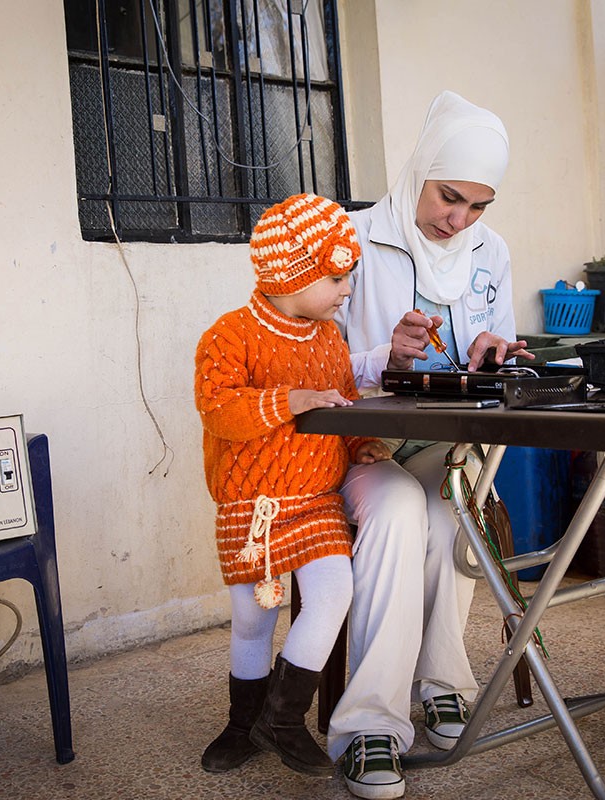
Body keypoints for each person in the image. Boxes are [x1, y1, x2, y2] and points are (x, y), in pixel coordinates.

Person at [329, 91, 534, 799]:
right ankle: (369, 727)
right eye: (450, 197)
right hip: (363, 448)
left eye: (478, 206)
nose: (460, 219)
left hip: (445, 448)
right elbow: (316, 370)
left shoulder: (490, 252)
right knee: (399, 515)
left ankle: (443, 683)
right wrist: (390, 356)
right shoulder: (351, 241)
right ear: (420, 170)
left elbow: (498, 352)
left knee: (454, 512)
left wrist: (492, 352)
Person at [194, 193, 394, 778]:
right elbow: (219, 411)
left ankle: (282, 720)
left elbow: (342, 405)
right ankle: (242, 725)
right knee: (254, 618)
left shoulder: (329, 340)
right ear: (292, 272)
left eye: (348, 277)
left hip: (315, 502)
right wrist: (290, 400)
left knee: (334, 592)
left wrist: (360, 444)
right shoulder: (228, 336)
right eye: (336, 277)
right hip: (251, 506)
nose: (346, 289)